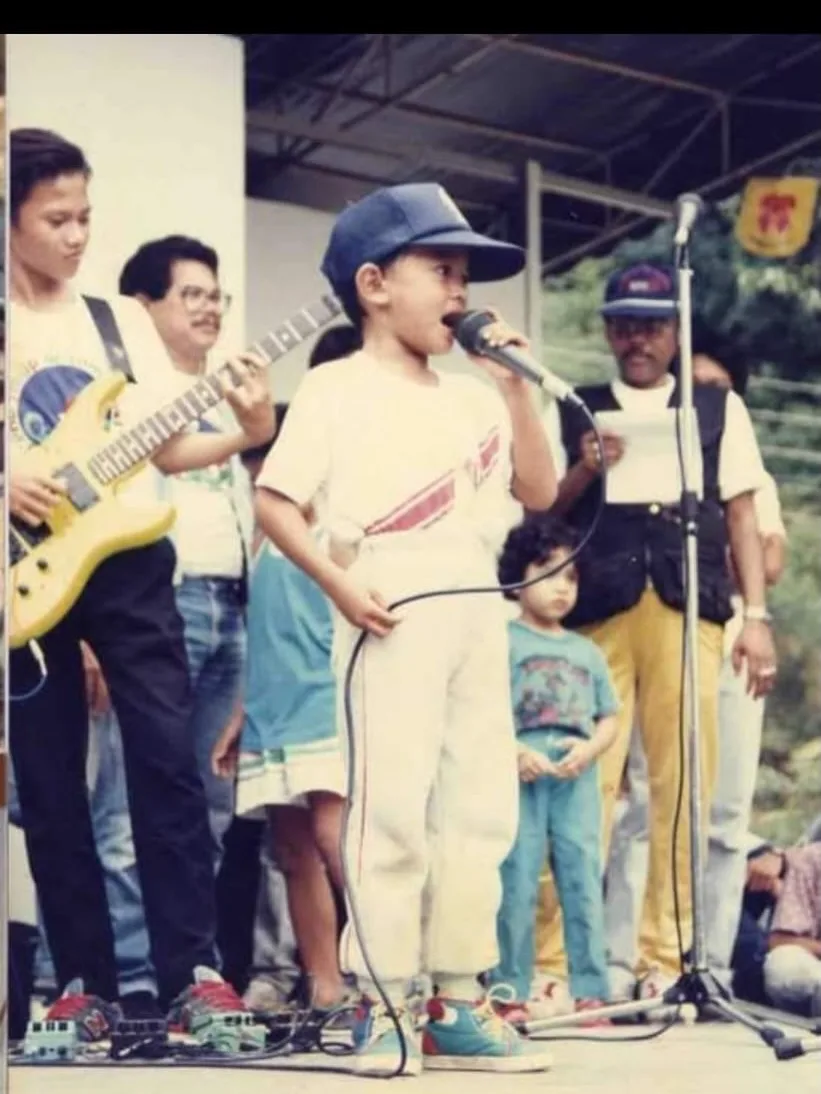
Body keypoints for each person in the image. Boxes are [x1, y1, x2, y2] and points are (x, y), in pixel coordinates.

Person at [251, 181, 557, 1075]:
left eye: (465, 276)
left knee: (477, 806)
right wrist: (340, 585)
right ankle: (384, 999)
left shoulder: (471, 398)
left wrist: (512, 389)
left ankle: (457, 994)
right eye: (441, 271)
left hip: (473, 600)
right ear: (375, 283)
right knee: (389, 807)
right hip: (387, 598)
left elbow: (535, 493)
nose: (458, 293)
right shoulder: (335, 385)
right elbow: (276, 501)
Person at [6, 127, 273, 1029]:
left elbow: (166, 445)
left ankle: (192, 973)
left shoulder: (112, 323)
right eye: (57, 217)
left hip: (128, 562)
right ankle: (82, 986)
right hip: (24, 570)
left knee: (167, 764)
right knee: (49, 787)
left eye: (86, 214)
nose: (79, 235)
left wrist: (244, 429)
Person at [533, 263, 778, 1003]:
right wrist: (582, 470)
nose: (636, 338)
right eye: (623, 323)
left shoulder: (716, 408)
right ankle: (553, 965)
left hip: (685, 606)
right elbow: (541, 505)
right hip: (595, 612)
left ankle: (664, 960)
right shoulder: (575, 406)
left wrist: (756, 618)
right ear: (607, 330)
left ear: (675, 332)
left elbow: (740, 513)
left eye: (650, 324)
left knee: (682, 791)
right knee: (579, 781)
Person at [602, 350, 788, 998]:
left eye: (711, 389)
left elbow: (766, 559)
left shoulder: (746, 475)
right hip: (655, 617)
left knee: (720, 809)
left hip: (727, 628)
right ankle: (625, 960)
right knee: (646, 801)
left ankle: (702, 963)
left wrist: (713, 529)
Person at [212, 323, 362, 1018]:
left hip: (327, 694)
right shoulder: (271, 512)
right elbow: (265, 620)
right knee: (293, 849)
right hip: (273, 699)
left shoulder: (350, 510)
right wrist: (242, 709)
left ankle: (385, 980)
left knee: (341, 843)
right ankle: (325, 987)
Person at [486, 515, 618, 1026]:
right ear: (519, 576)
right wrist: (515, 749)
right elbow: (486, 709)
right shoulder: (502, 640)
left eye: (571, 577)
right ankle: (508, 989)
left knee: (582, 877)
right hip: (519, 773)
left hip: (574, 776)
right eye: (548, 572)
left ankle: (590, 992)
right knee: (516, 880)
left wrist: (590, 751)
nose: (561, 587)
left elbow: (609, 715)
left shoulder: (587, 650)